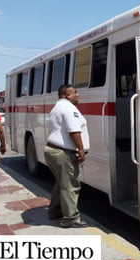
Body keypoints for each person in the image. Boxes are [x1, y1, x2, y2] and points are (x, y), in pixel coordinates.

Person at [44, 84, 90, 228]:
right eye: (75, 92)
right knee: (71, 186)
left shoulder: (57, 107)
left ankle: (55, 211)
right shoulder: (69, 109)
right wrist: (81, 149)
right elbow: (74, 131)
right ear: (67, 95)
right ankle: (70, 218)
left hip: (53, 150)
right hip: (64, 153)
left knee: (62, 184)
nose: (78, 95)